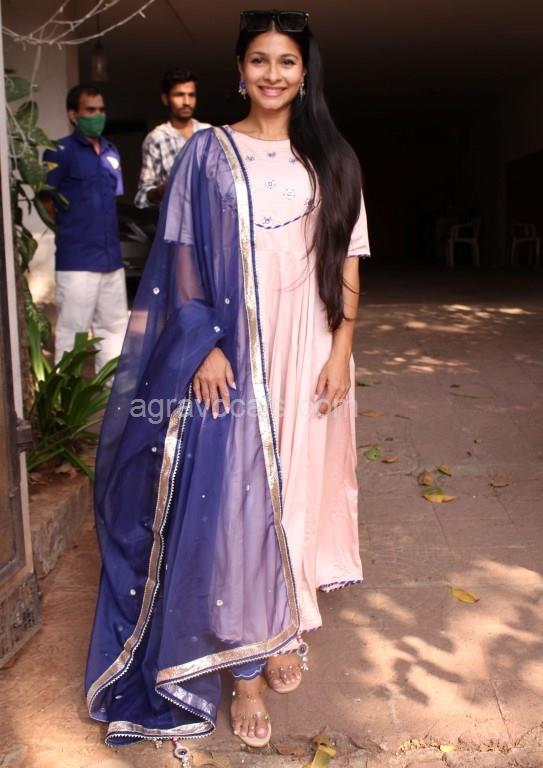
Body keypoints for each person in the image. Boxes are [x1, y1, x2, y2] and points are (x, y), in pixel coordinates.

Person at [85, 8, 370, 752]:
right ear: (240, 70)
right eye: (259, 60)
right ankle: (244, 674)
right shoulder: (207, 153)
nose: (273, 74)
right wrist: (205, 346)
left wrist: (341, 348)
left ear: (304, 73)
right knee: (236, 500)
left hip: (310, 348)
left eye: (287, 61)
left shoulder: (332, 157)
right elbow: (181, 255)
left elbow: (346, 258)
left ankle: (282, 627)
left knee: (297, 489)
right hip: (236, 353)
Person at [42, 84, 128, 372]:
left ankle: (110, 391)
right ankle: (66, 395)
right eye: (90, 110)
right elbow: (46, 201)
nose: (98, 115)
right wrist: (71, 232)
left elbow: (111, 199)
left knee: (114, 331)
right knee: (72, 334)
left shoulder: (111, 152)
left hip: (111, 260)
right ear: (73, 115)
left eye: (101, 110)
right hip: (77, 261)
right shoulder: (59, 151)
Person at [134, 68, 211, 208]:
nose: (187, 102)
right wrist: (163, 190)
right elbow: (141, 197)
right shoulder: (157, 138)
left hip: (210, 217)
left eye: (191, 95)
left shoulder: (208, 133)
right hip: (175, 219)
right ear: (165, 99)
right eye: (179, 95)